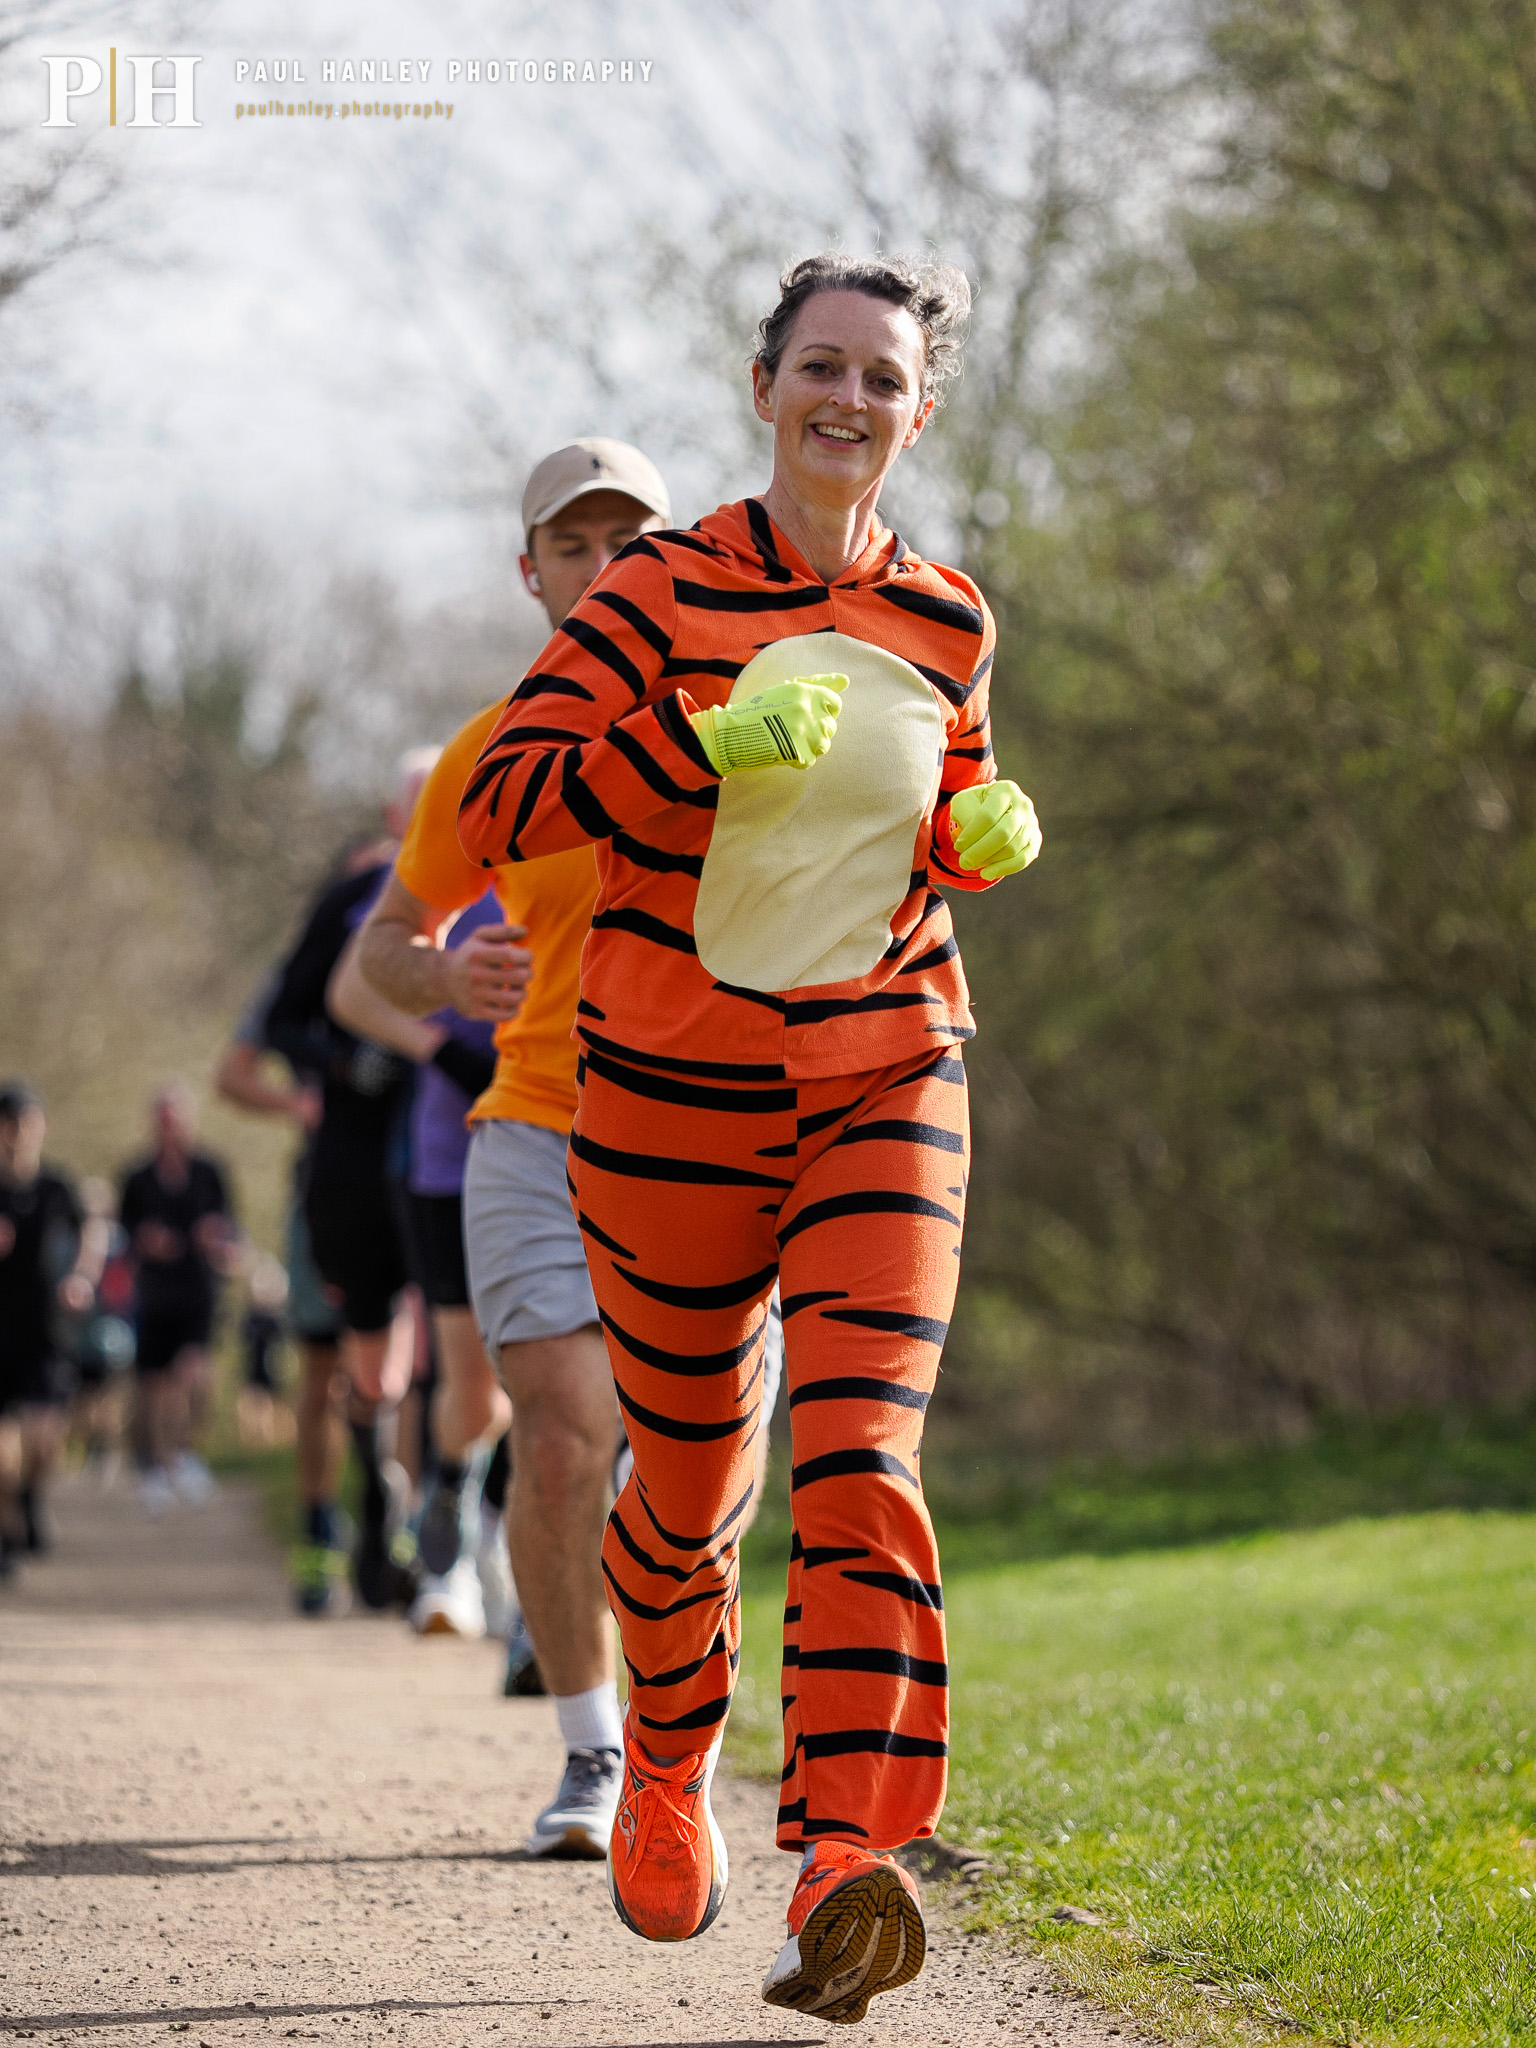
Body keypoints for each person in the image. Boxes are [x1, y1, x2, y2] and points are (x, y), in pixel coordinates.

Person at [456, 256, 1042, 2024]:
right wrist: (688, 743)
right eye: (819, 367)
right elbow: (509, 799)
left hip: (887, 1071)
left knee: (863, 1455)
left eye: (881, 375)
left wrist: (972, 834)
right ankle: (660, 1763)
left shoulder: (950, 617)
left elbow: (915, 821)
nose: (847, 399)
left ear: (916, 409)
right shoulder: (651, 589)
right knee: (694, 1485)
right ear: (765, 383)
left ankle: (846, 1858)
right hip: (666, 1095)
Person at [338, 441, 682, 1856]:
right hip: (535, 1124)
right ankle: (593, 1757)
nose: (604, 568)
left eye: (629, 542)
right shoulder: (492, 750)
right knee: (555, 1443)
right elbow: (387, 945)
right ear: (530, 570)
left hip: (711, 1136)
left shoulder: (745, 711)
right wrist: (441, 980)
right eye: (575, 544)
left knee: (680, 1474)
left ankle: (682, 1740)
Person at [264, 771, 438, 1610]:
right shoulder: (350, 902)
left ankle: (433, 1537)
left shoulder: (493, 892)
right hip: (349, 1169)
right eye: (421, 799)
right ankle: (371, 1498)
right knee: (363, 1365)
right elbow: (278, 1021)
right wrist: (340, 1061)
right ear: (394, 814)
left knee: (448, 1352)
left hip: (447, 1155)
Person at [118, 1085, 236, 1514]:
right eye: (164, 1121)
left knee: (195, 1377)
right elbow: (123, 1234)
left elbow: (228, 1228)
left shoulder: (210, 1172)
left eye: (176, 1120)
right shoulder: (135, 1177)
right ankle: (157, 1465)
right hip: (153, 1294)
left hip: (198, 1291)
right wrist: (145, 1241)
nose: (170, 1129)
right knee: (155, 1386)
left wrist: (219, 1243)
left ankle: (182, 1453)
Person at [0, 1082, 99, 1568]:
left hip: (45, 1331)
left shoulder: (57, 1187)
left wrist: (81, 1276)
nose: (18, 1134)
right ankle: (5, 1529)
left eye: (27, 1123)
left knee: (43, 1442)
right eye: (10, 1124)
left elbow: (91, 1233)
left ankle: (31, 1496)